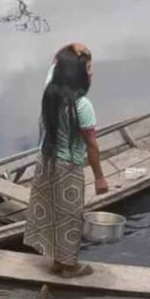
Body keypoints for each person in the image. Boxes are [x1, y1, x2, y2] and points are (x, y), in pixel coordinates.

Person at [23, 43, 109, 278]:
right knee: (70, 216)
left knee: (50, 209)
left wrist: (70, 46)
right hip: (68, 167)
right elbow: (92, 145)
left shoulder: (50, 89)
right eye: (89, 69)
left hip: (45, 161)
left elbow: (54, 60)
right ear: (78, 75)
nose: (91, 72)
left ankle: (57, 261)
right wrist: (100, 177)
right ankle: (69, 267)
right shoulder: (82, 105)